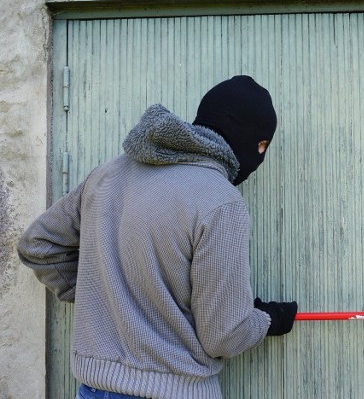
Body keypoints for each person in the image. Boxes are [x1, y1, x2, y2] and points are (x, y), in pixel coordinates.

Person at [17, 75, 297, 399]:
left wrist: (108, 293)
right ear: (242, 135)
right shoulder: (221, 201)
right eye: (261, 145)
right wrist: (267, 320)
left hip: (93, 389)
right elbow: (224, 335)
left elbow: (38, 245)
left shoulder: (108, 174)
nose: (259, 156)